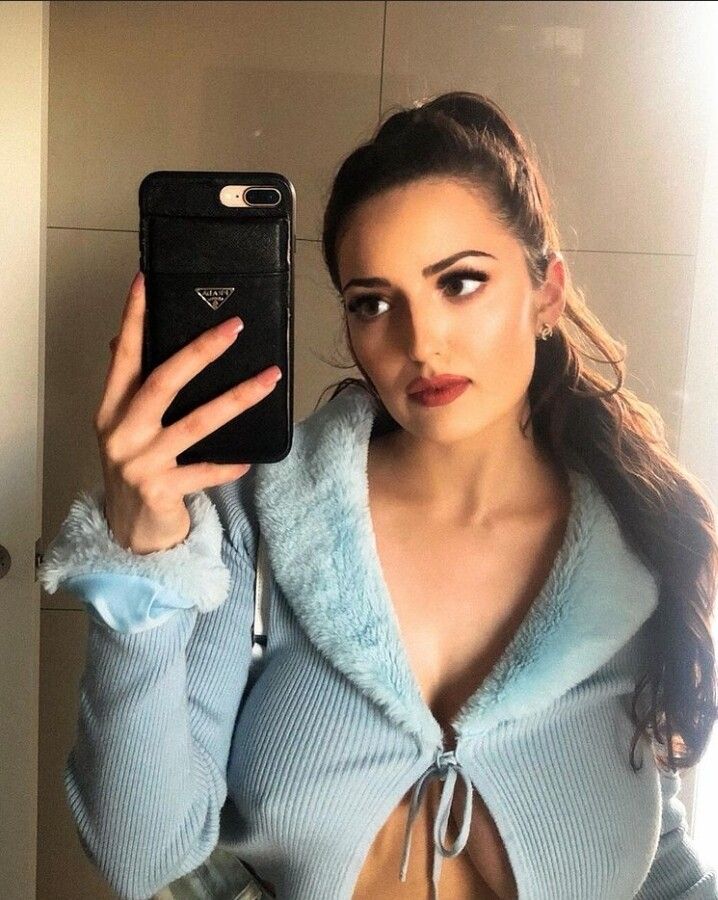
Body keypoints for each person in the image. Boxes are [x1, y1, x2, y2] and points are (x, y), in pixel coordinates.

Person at [39, 92, 718, 900]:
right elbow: (139, 855)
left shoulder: (640, 545)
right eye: (373, 302)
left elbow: (655, 857)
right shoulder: (253, 520)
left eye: (460, 282)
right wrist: (140, 562)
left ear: (547, 292)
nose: (420, 342)